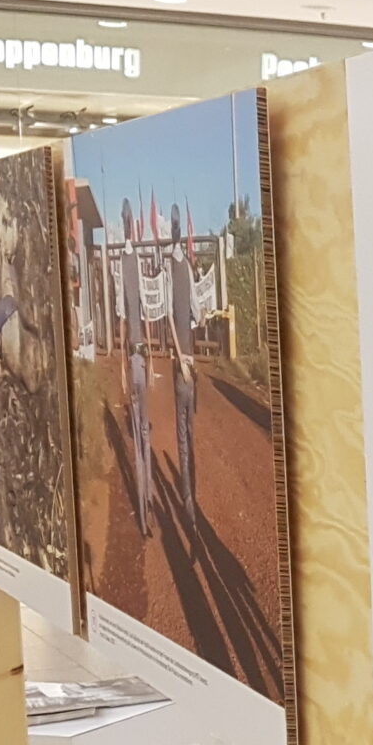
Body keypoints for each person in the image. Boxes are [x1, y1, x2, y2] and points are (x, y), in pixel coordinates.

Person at [117, 200, 153, 537]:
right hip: (133, 359)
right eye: (127, 220)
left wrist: (150, 361)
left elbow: (140, 314)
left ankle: (149, 497)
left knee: (144, 430)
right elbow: (124, 321)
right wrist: (122, 368)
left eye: (128, 221)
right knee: (140, 434)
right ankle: (143, 508)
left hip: (140, 359)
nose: (129, 225)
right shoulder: (125, 266)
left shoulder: (136, 264)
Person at [168, 206, 200, 521]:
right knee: (190, 430)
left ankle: (187, 495)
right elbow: (197, 311)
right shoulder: (187, 268)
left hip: (180, 366)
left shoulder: (169, 268)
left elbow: (168, 314)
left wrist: (178, 357)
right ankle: (193, 496)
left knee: (181, 432)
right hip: (190, 360)